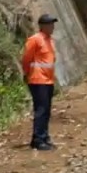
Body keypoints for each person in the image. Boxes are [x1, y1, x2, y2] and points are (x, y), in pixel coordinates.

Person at [21, 14, 59, 150]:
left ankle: (44, 137)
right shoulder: (35, 40)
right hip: (37, 80)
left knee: (46, 110)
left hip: (48, 80)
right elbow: (26, 58)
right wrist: (26, 73)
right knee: (41, 110)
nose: (52, 27)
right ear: (42, 26)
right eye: (49, 24)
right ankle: (38, 140)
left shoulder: (50, 40)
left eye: (53, 24)